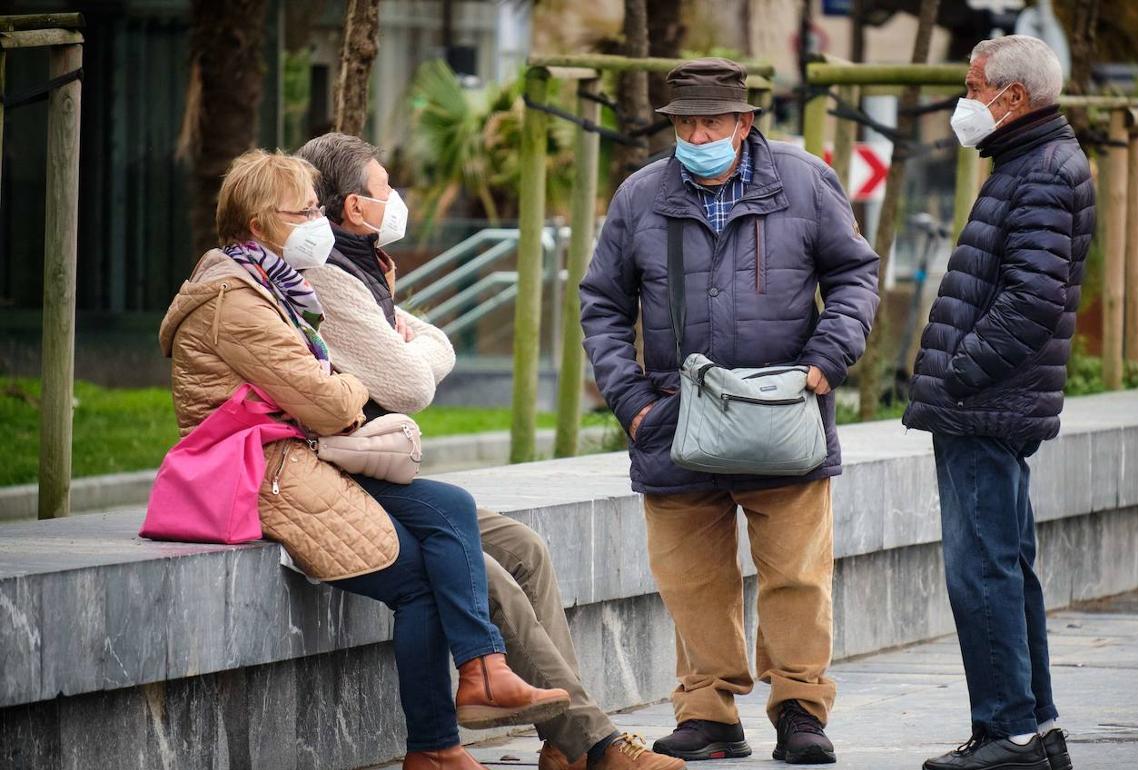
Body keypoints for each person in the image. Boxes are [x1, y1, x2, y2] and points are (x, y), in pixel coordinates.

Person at [157, 149, 569, 770]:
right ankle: (438, 741)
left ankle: (479, 680)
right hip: (268, 473)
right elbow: (327, 399)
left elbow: (345, 379)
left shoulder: (269, 285)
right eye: (302, 211)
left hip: (303, 460)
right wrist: (349, 375)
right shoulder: (236, 302)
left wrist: (339, 375)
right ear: (262, 222)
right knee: (419, 582)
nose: (315, 221)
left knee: (450, 506)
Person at [293, 132, 685, 770]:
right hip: (340, 476)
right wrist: (420, 345)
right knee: (488, 572)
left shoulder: (364, 268)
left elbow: (415, 347)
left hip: (369, 466)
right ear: (352, 208)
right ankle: (596, 745)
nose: (396, 199)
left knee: (523, 549)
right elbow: (411, 382)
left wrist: (414, 340)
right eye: (383, 188)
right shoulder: (329, 278)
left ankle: (563, 742)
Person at [579, 58, 880, 765]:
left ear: (744, 123)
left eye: (712, 120)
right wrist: (632, 404)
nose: (697, 133)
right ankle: (708, 711)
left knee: (798, 574)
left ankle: (801, 708)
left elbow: (855, 274)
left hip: (785, 414)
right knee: (692, 579)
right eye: (685, 122)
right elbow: (602, 303)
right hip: (676, 421)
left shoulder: (805, 182)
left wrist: (824, 365)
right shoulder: (641, 195)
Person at [902, 35, 1092, 770]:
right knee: (1006, 566)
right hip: (994, 403)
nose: (966, 100)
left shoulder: (1040, 172)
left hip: (984, 405)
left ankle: (1007, 733)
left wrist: (957, 372)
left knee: (981, 571)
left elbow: (1032, 298)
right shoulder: (1031, 162)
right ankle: (1033, 732)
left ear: (1013, 98)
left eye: (973, 86)